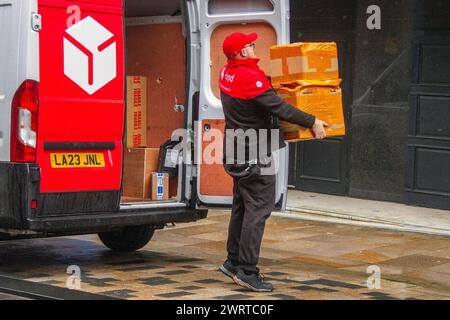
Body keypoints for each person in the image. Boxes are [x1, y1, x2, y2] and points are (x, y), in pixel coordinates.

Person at [218, 32, 328, 292]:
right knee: (258, 209)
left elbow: (258, 96)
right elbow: (279, 107)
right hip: (255, 151)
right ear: (242, 52)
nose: (255, 47)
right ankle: (247, 271)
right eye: (251, 45)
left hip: (235, 147)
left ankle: (232, 262)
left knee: (242, 206)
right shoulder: (249, 77)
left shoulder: (226, 72)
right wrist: (312, 120)